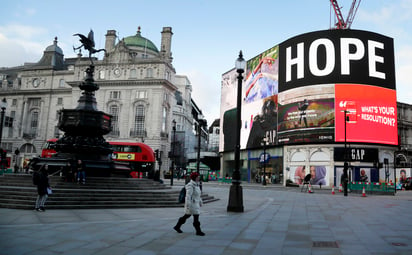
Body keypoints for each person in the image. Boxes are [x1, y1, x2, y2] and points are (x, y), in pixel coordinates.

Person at [173, 172, 205, 236]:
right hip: (192, 204)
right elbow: (188, 196)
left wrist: (200, 201)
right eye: (197, 177)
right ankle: (198, 231)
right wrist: (188, 205)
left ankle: (177, 226)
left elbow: (198, 195)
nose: (199, 178)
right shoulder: (190, 185)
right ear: (194, 178)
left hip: (195, 203)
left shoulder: (197, 185)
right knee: (196, 218)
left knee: (186, 216)